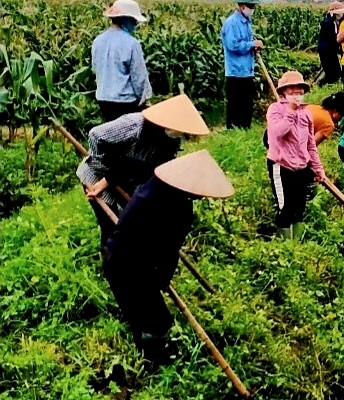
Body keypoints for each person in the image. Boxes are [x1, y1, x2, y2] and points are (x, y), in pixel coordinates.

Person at [103, 149, 234, 364]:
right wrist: (161, 278)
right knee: (155, 320)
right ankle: (154, 363)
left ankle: (150, 356)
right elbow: (168, 248)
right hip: (126, 262)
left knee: (143, 313)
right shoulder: (179, 206)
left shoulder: (157, 183)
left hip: (122, 255)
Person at [78, 94, 210, 250]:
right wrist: (108, 166)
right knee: (110, 224)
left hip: (126, 177)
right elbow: (95, 135)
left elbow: (154, 170)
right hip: (97, 173)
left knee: (131, 221)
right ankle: (109, 264)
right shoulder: (135, 124)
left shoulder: (171, 140)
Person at [266, 71, 327, 240]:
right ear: (284, 91)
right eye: (292, 89)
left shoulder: (306, 112)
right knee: (286, 208)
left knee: (299, 208)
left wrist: (318, 168)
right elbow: (278, 132)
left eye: (299, 89)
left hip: (301, 166)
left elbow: (310, 144)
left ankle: (297, 245)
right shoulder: (275, 109)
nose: (296, 93)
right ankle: (286, 248)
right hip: (281, 165)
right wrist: (291, 111)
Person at [92, 0, 152, 122]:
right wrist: (144, 101)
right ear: (126, 19)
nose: (135, 25)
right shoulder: (132, 43)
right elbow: (139, 78)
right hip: (125, 102)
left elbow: (96, 69)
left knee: (112, 135)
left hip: (103, 99)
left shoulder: (97, 41)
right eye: (134, 21)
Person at [221, 0, 264, 129]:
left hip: (247, 71)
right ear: (241, 6)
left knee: (246, 105)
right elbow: (233, 45)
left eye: (253, 6)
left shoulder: (247, 22)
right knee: (235, 106)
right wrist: (252, 44)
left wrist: (254, 46)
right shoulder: (231, 23)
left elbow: (246, 42)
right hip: (235, 72)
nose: (252, 9)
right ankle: (233, 133)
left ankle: (246, 131)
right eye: (250, 6)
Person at [317, 1, 344, 86]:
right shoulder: (327, 23)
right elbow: (333, 38)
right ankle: (322, 84)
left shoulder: (335, 22)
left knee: (335, 70)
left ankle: (326, 84)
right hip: (326, 50)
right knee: (332, 71)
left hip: (331, 50)